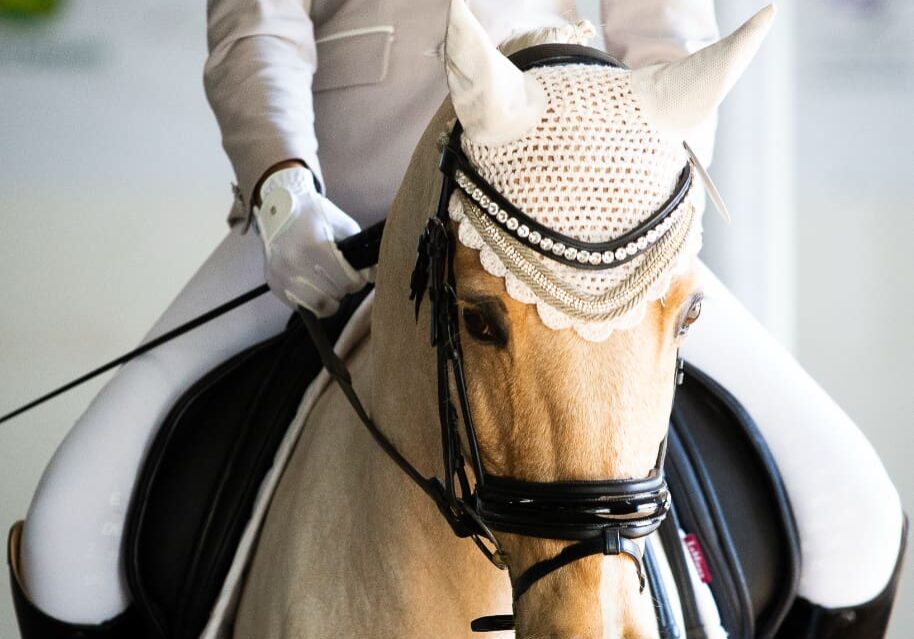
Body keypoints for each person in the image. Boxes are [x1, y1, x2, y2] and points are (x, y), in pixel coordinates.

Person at [14, 0, 902, 634]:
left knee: (856, 514)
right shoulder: (312, 211)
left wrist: (633, 214)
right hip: (337, 221)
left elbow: (668, 38)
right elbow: (258, 25)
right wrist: (283, 190)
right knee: (65, 535)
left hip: (574, 220)